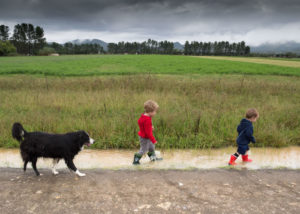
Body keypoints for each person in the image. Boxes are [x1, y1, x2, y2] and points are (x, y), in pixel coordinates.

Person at [133, 100, 162, 165]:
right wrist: (154, 140)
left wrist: (150, 127)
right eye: (155, 111)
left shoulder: (144, 116)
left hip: (145, 136)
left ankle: (153, 158)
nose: (155, 113)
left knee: (151, 147)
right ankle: (136, 159)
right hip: (144, 138)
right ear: (150, 111)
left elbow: (140, 122)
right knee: (144, 149)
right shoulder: (147, 120)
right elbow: (149, 133)